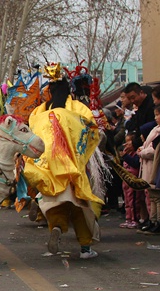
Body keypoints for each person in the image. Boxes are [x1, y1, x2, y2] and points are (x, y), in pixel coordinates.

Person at [23, 64, 103, 259]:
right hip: (73, 165)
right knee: (79, 205)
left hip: (49, 165)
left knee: (56, 202)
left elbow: (33, 136)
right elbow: (91, 130)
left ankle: (57, 226)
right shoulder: (77, 108)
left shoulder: (39, 112)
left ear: (49, 91)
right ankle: (85, 248)